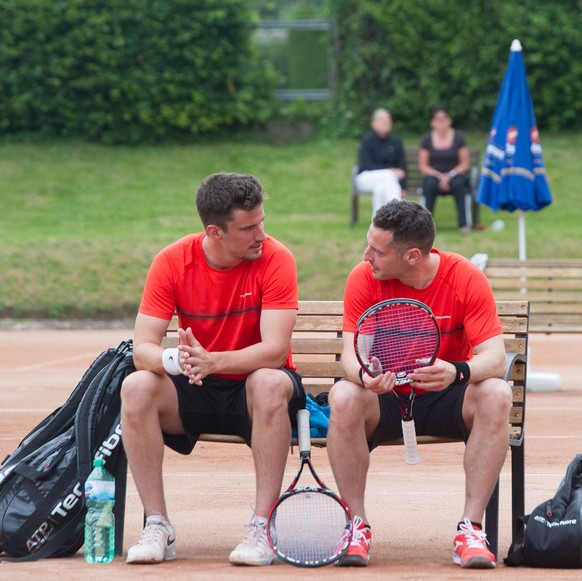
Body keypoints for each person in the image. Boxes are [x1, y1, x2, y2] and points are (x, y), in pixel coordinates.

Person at [121, 172, 305, 566]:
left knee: (270, 382)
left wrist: (214, 360)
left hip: (255, 391)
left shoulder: (277, 258)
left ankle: (261, 526)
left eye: (262, 222)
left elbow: (274, 351)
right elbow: (143, 349)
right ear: (215, 231)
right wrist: (179, 360)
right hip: (196, 384)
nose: (261, 235)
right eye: (249, 228)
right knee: (136, 386)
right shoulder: (172, 261)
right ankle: (157, 525)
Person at [326, 199, 511, 569]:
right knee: (343, 395)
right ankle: (356, 526)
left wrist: (456, 372)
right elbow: (350, 357)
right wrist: (366, 376)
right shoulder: (364, 277)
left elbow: (495, 357)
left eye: (377, 251)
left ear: (412, 256)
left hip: (447, 396)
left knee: (496, 392)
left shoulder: (464, 276)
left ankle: (470, 529)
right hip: (387, 398)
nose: (366, 256)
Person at [418, 106, 473, 233]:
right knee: (430, 184)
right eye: (437, 119)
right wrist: (439, 176)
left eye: (444, 118)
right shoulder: (426, 139)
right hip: (434, 176)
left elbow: (464, 164)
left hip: (455, 175)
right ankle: (426, 228)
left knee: (459, 183)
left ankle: (463, 224)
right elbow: (423, 166)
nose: (441, 122)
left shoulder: (459, 138)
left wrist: (450, 175)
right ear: (432, 122)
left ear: (449, 120)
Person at [355, 108, 407, 217]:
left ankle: (377, 223)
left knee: (380, 189)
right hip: (366, 178)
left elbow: (402, 166)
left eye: (388, 119)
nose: (386, 121)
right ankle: (398, 217)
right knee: (389, 175)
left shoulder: (396, 141)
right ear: (373, 123)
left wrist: (403, 187)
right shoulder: (367, 140)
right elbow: (366, 165)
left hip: (389, 181)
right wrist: (390, 170)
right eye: (382, 119)